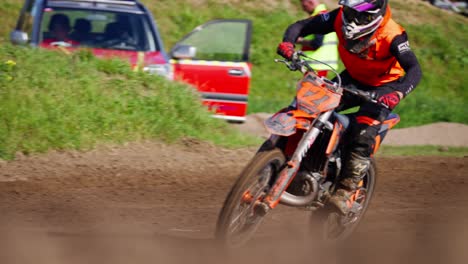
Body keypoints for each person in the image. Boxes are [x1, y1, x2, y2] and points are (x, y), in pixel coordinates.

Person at [277, 0, 422, 214]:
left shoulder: (393, 34)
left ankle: (345, 191)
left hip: (384, 88)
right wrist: (288, 43)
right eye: (350, 12)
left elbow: (414, 69)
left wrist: (397, 93)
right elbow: (301, 26)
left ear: (374, 15)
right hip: (352, 78)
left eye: (360, 15)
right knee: (312, 106)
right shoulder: (337, 17)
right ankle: (299, 162)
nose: (353, 19)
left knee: (363, 132)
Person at [296, 0, 339, 77]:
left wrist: (299, 40)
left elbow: (317, 43)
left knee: (308, 88)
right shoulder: (325, 16)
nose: (304, 9)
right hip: (321, 66)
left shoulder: (319, 18)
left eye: (304, 6)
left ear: (310, 2)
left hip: (317, 67)